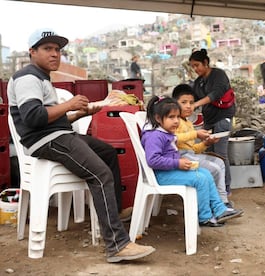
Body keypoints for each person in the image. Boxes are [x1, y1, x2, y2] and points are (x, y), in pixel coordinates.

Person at [7, 28, 155, 263]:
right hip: (46, 141)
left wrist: (78, 113)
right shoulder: (28, 77)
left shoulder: (42, 77)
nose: (55, 54)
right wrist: (69, 105)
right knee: (100, 175)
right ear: (32, 52)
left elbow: (51, 118)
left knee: (106, 152)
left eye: (57, 49)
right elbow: (34, 118)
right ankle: (117, 244)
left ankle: (113, 212)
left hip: (57, 134)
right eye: (47, 49)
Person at [141, 96, 243, 227]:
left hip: (169, 171)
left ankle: (220, 209)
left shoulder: (164, 133)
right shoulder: (154, 136)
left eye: (177, 117)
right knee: (200, 179)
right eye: (171, 117)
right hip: (161, 175)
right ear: (158, 118)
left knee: (205, 173)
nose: (176, 121)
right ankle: (204, 217)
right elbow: (153, 160)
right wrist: (177, 163)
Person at [172, 83, 234, 208]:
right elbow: (172, 140)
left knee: (220, 163)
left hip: (190, 154)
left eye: (191, 102)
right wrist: (195, 134)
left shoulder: (187, 123)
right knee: (214, 168)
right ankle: (217, 205)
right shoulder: (174, 120)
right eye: (184, 102)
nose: (189, 106)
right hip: (180, 158)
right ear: (174, 103)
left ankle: (223, 201)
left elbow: (192, 149)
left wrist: (206, 143)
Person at [189, 49, 235, 195]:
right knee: (208, 154)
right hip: (208, 121)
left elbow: (215, 95)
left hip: (222, 119)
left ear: (206, 63)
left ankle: (226, 189)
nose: (195, 69)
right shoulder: (198, 82)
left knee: (221, 155)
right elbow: (193, 97)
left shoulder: (218, 75)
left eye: (197, 65)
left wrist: (196, 105)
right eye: (193, 67)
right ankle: (215, 187)